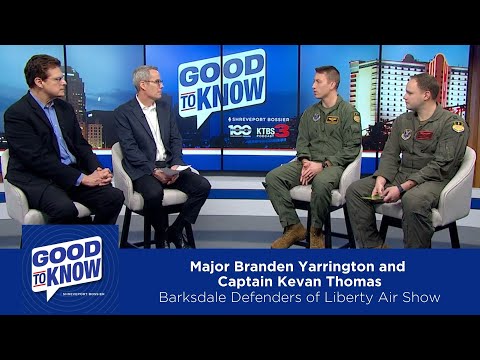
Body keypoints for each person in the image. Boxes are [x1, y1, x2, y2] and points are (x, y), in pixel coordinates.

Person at [345, 72, 470, 248]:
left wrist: (402, 188)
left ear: (426, 95)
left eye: (409, 93)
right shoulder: (402, 121)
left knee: (413, 200)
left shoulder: (452, 124)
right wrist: (381, 180)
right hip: (402, 175)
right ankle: (374, 248)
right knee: (355, 190)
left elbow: (441, 165)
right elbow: (390, 154)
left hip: (434, 180)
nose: (404, 96)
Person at [4, 54, 124, 225]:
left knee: (113, 197)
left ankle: (94, 243)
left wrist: (97, 171)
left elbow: (81, 145)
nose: (64, 83)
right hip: (37, 178)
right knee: (65, 209)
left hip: (70, 173)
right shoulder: (17, 114)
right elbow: (37, 160)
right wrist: (82, 178)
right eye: (58, 79)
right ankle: (70, 245)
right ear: (39, 82)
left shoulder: (64, 108)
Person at [264, 65, 362, 249]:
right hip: (308, 163)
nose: (313, 86)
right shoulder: (310, 113)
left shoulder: (349, 113)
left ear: (332, 84)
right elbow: (302, 143)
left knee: (322, 182)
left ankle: (316, 231)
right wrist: (305, 161)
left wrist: (323, 165)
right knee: (273, 177)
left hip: (334, 166)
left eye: (318, 81)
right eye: (314, 81)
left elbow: (351, 149)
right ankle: (293, 227)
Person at [114, 65, 211, 249]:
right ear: (143, 85)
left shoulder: (165, 108)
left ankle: (175, 230)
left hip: (167, 165)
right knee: (153, 193)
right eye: (157, 82)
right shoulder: (124, 113)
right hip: (143, 169)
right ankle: (161, 237)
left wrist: (176, 164)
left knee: (202, 186)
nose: (161, 86)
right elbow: (130, 149)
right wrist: (153, 170)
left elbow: (176, 139)